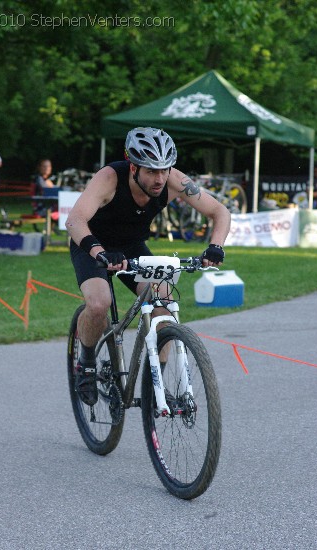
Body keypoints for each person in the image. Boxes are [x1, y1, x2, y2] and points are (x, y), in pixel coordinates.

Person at [66, 127, 231, 406]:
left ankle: (156, 382)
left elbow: (220, 212)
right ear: (133, 167)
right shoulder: (109, 178)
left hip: (132, 247)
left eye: (164, 170)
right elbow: (74, 221)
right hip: (93, 245)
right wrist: (99, 252)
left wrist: (216, 246)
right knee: (98, 303)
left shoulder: (174, 181)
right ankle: (87, 360)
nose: (159, 179)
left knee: (163, 304)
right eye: (152, 171)